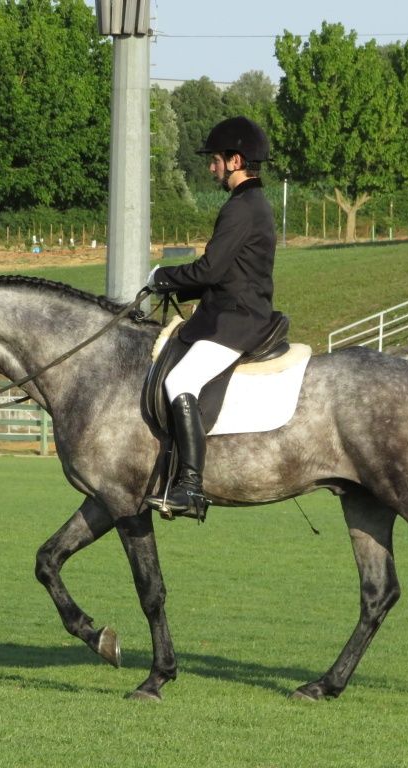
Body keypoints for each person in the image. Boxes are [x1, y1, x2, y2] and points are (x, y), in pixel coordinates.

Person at [143, 116, 277, 517]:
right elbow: (223, 274)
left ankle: (190, 488)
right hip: (234, 312)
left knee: (179, 379)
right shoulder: (250, 205)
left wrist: (160, 276)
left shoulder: (242, 208)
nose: (211, 167)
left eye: (216, 159)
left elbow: (210, 271)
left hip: (235, 320)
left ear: (236, 160)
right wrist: (175, 288)